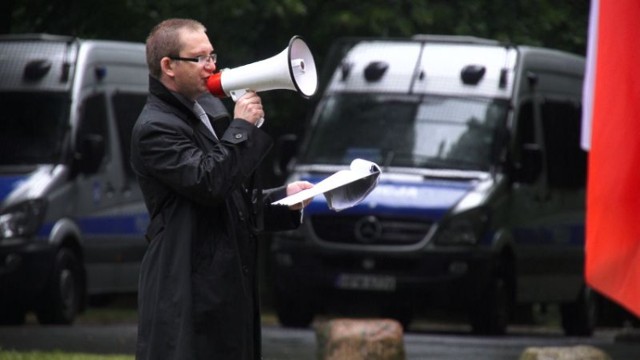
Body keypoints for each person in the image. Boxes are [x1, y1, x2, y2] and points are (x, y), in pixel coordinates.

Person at [130, 18, 313, 360]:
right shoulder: (155, 128)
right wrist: (242, 128)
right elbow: (208, 183)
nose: (211, 66)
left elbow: (228, 196)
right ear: (168, 66)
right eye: (199, 58)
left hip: (223, 285)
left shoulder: (209, 110)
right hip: (186, 285)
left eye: (212, 55)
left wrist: (281, 199)